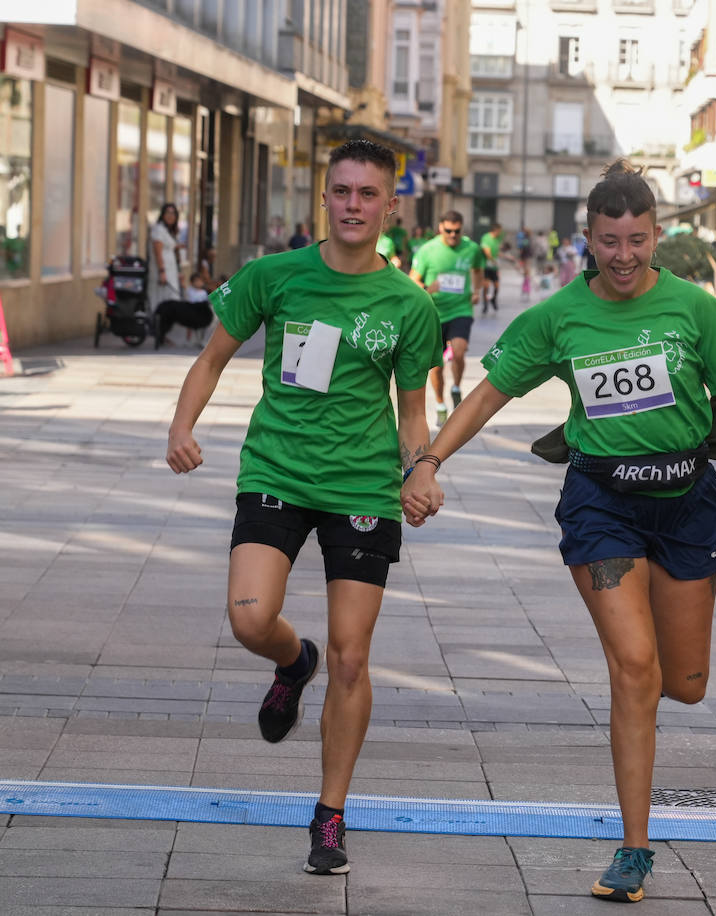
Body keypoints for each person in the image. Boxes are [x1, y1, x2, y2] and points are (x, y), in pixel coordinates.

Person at [401, 160, 716, 904]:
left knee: (685, 685)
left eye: (636, 240)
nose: (623, 255)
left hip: (686, 505)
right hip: (601, 504)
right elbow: (487, 395)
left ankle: (650, 743)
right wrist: (428, 462)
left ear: (655, 236)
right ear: (588, 238)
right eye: (609, 241)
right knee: (635, 668)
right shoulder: (559, 316)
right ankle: (634, 848)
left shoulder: (694, 308)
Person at [164, 138, 441, 877]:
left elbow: (412, 412)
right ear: (325, 197)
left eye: (367, 194)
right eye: (341, 191)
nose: (353, 205)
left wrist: (421, 469)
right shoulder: (274, 276)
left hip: (361, 487)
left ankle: (329, 814)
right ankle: (293, 660)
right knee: (250, 618)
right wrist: (182, 426)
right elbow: (212, 358)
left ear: (390, 205)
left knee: (353, 656)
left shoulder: (410, 304)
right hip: (277, 471)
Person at [410, 209, 485, 424]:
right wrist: (427, 288)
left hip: (461, 309)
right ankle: (440, 403)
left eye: (457, 231)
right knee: (436, 364)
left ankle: (456, 387)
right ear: (440, 228)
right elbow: (412, 280)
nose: (453, 235)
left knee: (459, 351)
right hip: (434, 312)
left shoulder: (471, 249)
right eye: (449, 231)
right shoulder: (427, 250)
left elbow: (478, 270)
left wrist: (477, 291)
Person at [148, 203, 184, 315]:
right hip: (162, 272)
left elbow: (171, 250)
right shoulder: (158, 229)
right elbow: (158, 252)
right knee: (163, 301)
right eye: (168, 212)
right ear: (162, 214)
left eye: (173, 213)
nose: (170, 216)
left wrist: (178, 272)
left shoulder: (168, 231)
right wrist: (162, 272)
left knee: (172, 301)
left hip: (171, 272)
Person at [480, 223, 504, 314]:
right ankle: (485, 304)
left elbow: (497, 252)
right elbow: (487, 252)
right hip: (486, 266)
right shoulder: (486, 238)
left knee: (497, 285)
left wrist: (507, 257)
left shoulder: (497, 239)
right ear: (496, 230)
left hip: (494, 267)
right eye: (499, 231)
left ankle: (493, 299)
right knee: (486, 286)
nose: (500, 233)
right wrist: (493, 260)